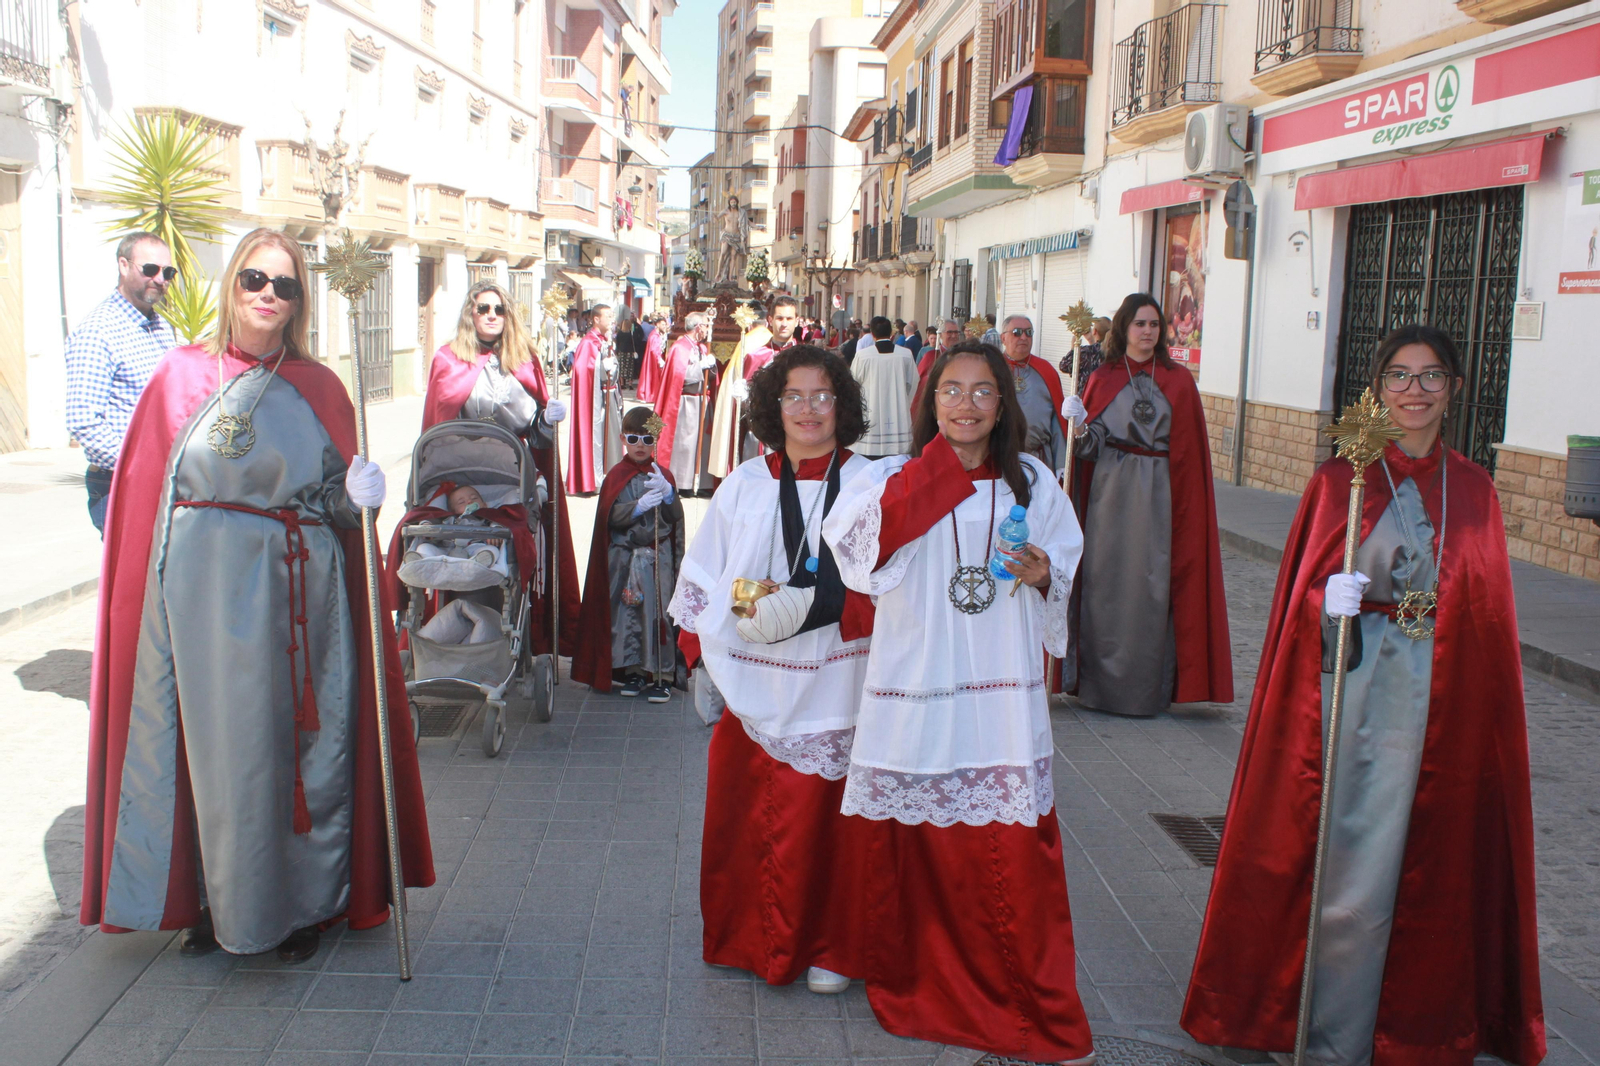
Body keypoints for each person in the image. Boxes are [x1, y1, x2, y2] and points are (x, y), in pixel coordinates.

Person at [1182, 324, 1545, 1066]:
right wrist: (1325, 599)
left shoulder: (1474, 491)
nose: (1415, 390)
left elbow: (1485, 616)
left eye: (1432, 376)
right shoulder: (1339, 481)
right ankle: (1322, 1017)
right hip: (1348, 696)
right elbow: (1296, 610)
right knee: (1345, 851)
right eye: (1401, 376)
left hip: (1439, 703)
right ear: (1377, 390)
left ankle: (1413, 1016)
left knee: (1426, 856)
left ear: (1455, 390)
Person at [81, 228, 434, 963]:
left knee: (297, 746)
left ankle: (301, 904)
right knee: (212, 753)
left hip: (298, 594)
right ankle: (213, 902)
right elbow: (144, 499)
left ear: (301, 301)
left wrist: (357, 496)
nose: (268, 296)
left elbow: (339, 511)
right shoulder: (179, 376)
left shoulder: (322, 388)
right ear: (230, 286)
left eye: (285, 286)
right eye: (254, 280)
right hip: (200, 601)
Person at [821, 340, 1091, 1061]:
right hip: (917, 679)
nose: (965, 405)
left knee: (1006, 845)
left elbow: (1064, 561)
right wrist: (940, 470)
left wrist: (1040, 574)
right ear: (928, 400)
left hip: (998, 688)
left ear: (1004, 404)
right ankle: (912, 975)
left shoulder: (1032, 479)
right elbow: (861, 554)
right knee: (911, 842)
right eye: (950, 391)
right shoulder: (890, 475)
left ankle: (1016, 990)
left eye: (981, 392)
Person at [669, 345, 876, 995]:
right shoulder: (746, 485)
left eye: (822, 396)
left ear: (842, 404)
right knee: (752, 814)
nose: (809, 409)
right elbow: (710, 570)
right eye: (794, 396)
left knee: (833, 822)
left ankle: (835, 946)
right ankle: (748, 939)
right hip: (757, 682)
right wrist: (700, 651)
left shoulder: (874, 482)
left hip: (842, 679)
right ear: (770, 407)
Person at [1061, 294, 1232, 717]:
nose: (1148, 331)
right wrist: (1080, 423)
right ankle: (1099, 688)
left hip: (1159, 495)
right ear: (1124, 328)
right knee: (1106, 581)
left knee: (1151, 584)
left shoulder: (1179, 381)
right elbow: (1087, 449)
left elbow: (1189, 453)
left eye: (1154, 324)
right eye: (1140, 324)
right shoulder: (1104, 377)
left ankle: (1146, 690)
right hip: (1109, 495)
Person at [420, 281, 582, 657]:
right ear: (469, 314)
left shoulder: (524, 359)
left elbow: (538, 439)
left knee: (518, 533)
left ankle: (515, 638)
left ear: (508, 314)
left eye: (499, 309)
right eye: (483, 308)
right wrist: (450, 485)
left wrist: (547, 421)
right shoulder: (448, 359)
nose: (491, 315)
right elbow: (436, 430)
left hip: (513, 471)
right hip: (460, 474)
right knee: (459, 540)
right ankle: (458, 640)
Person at [64, 231, 179, 534]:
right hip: (120, 482)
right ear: (124, 266)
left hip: (164, 479)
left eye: (167, 272)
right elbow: (83, 420)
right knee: (133, 579)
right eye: (150, 269)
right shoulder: (98, 332)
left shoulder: (162, 327)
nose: (159, 279)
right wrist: (139, 467)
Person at [573, 407, 684, 701]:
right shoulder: (615, 476)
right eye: (633, 438)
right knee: (627, 614)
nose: (640, 445)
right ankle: (632, 671)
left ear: (656, 441)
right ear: (623, 438)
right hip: (623, 559)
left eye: (647, 439)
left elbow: (675, 518)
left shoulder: (664, 474)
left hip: (657, 558)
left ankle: (661, 674)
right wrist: (637, 506)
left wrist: (669, 494)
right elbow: (608, 517)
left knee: (658, 614)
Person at [709, 296, 800, 477]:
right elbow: (745, 409)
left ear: (797, 321)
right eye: (780, 318)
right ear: (770, 320)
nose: (784, 324)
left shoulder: (806, 357)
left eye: (789, 319)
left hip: (795, 435)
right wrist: (744, 397)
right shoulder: (755, 356)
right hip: (760, 437)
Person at [994, 314, 1071, 473]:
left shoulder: (1045, 370)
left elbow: (1057, 421)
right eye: (1017, 332)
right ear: (1003, 338)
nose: (1023, 337)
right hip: (998, 458)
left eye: (1028, 332)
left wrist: (1061, 464)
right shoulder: (992, 369)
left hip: (1039, 460)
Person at [653, 312, 718, 495]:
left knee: (702, 441)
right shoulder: (680, 348)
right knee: (686, 444)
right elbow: (681, 376)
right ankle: (683, 483)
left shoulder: (702, 348)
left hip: (701, 399)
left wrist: (711, 367)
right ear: (698, 327)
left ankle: (703, 483)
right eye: (705, 325)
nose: (707, 329)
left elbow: (709, 375)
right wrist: (701, 367)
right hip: (687, 401)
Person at [566, 303, 624, 495]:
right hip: (596, 401)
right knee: (596, 438)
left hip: (610, 396)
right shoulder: (589, 343)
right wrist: (600, 366)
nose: (612, 319)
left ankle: (610, 475)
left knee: (611, 438)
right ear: (596, 319)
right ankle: (594, 479)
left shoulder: (604, 341)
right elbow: (583, 372)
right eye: (608, 316)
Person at [851, 315, 918, 459]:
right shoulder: (905, 354)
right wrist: (902, 401)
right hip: (898, 417)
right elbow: (913, 384)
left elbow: (853, 385)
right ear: (892, 333)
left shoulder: (863, 356)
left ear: (872, 334)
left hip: (870, 416)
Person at [1059, 316, 1110, 382]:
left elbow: (1064, 365)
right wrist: (1091, 340)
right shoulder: (1114, 351)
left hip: (1088, 391)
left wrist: (1073, 350)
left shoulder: (1086, 352)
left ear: (1094, 331)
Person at [636, 310, 669, 401]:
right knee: (653, 377)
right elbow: (654, 350)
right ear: (657, 324)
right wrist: (659, 360)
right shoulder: (654, 335)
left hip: (656, 358)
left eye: (665, 324)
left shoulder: (658, 334)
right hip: (654, 360)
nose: (664, 326)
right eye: (662, 324)